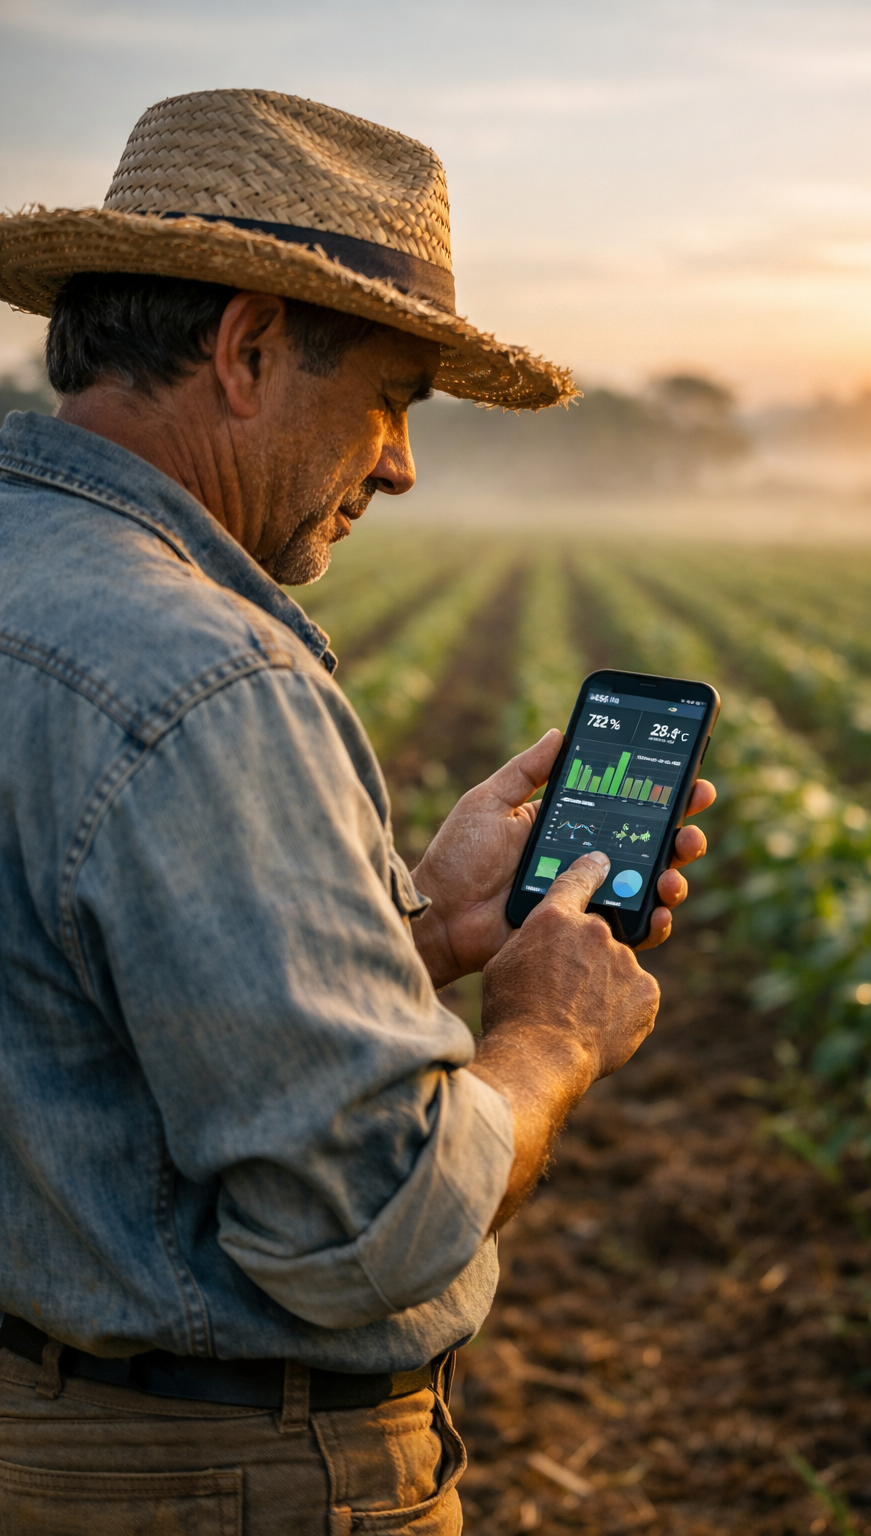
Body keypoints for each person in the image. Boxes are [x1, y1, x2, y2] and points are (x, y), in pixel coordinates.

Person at [0, 90, 714, 1535]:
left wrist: (415, 928)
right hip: (200, 1485)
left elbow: (73, 993)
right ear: (250, 347)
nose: (398, 461)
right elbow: (366, 1222)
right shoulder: (201, 674)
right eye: (390, 398)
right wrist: (548, 1038)